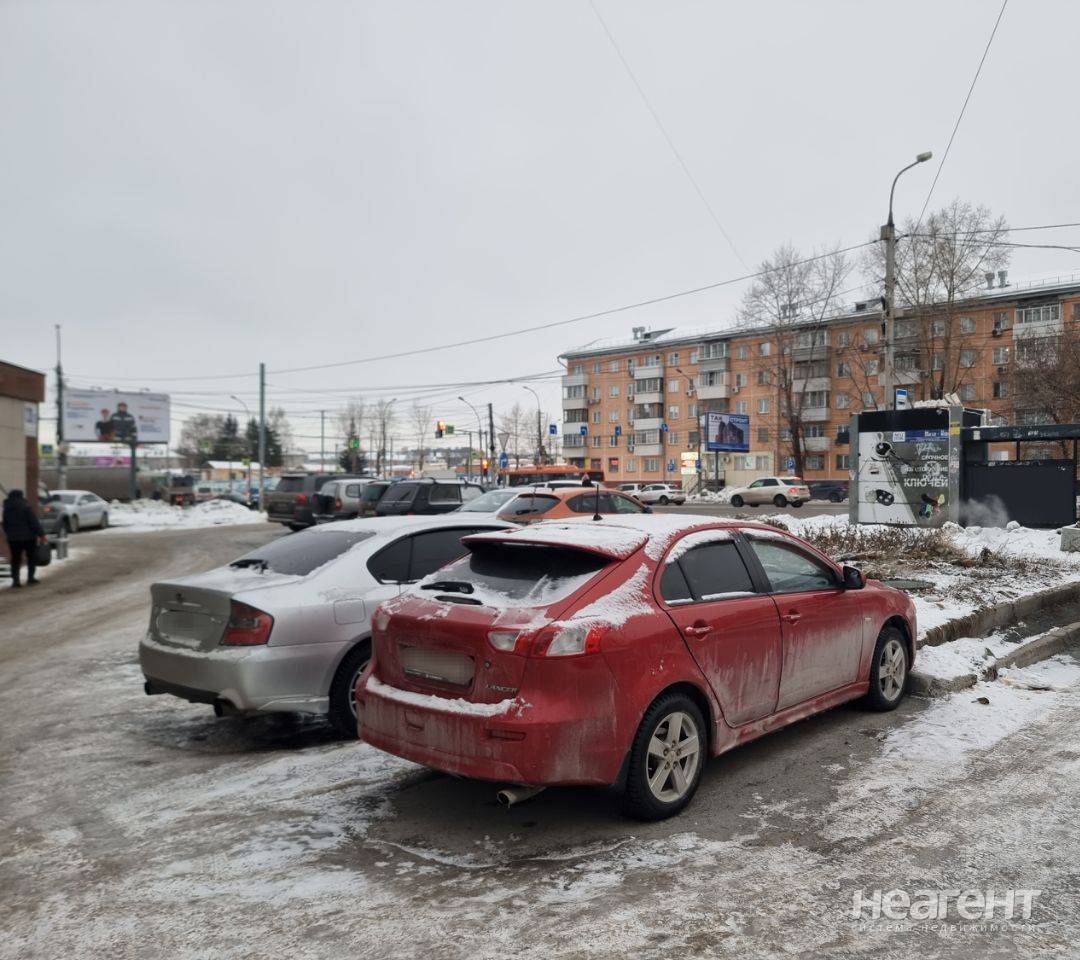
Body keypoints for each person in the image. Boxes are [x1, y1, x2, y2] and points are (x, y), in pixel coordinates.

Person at [2, 489, 45, 588]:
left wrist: (10, 534)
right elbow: (34, 523)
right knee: (31, 558)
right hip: (29, 538)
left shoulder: (6, 509)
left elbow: (5, 524)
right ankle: (30, 578)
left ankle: (16, 581)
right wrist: (41, 534)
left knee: (15, 559)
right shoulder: (26, 507)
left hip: (13, 539)